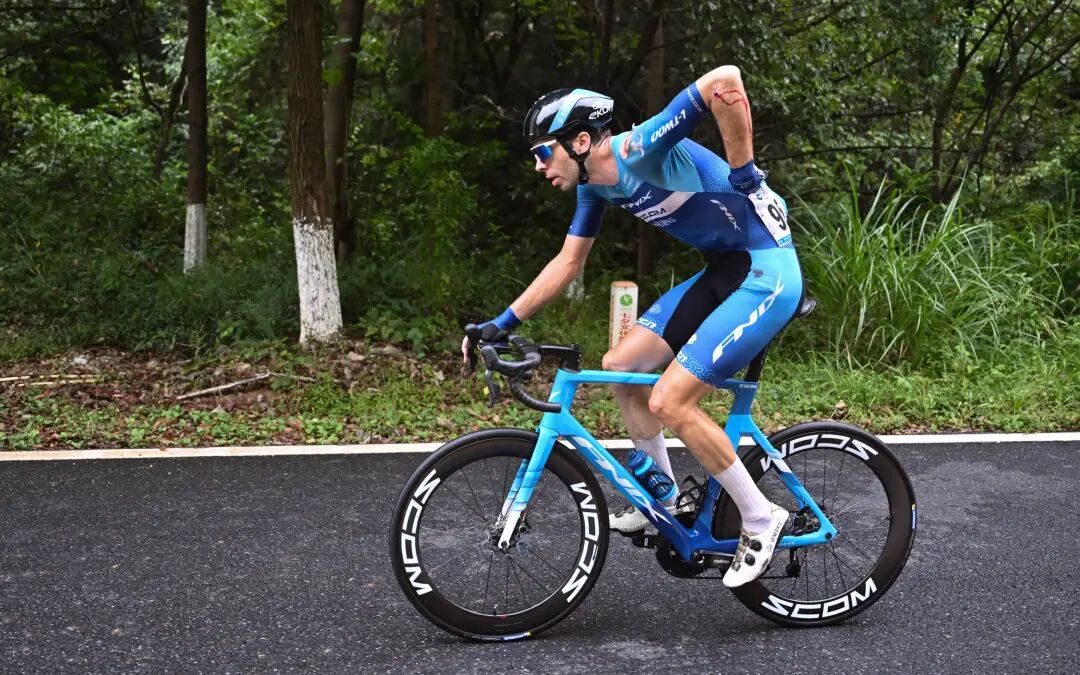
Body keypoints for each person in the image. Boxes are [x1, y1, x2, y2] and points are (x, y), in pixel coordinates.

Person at [461, 66, 802, 588]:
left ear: (580, 141)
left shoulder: (638, 150)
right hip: (725, 270)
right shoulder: (595, 188)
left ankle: (760, 517)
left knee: (670, 401)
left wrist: (745, 173)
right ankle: (665, 497)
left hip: (767, 271)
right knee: (621, 366)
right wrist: (501, 323)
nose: (538, 165)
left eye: (542, 151)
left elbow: (724, 81)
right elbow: (567, 263)